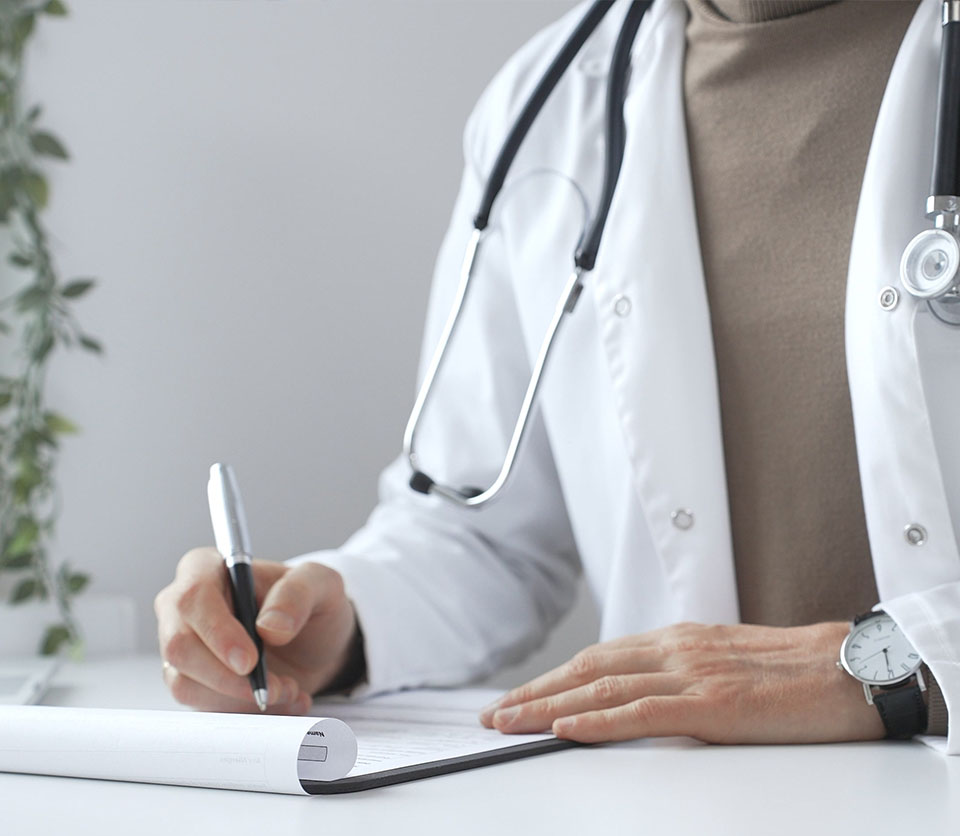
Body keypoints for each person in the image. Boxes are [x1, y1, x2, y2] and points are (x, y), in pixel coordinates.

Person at [155, 0, 958, 749]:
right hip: (690, 820)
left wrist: (899, 664)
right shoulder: (550, 103)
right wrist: (338, 623)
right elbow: (483, 530)